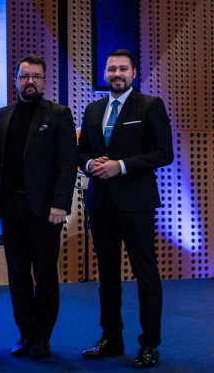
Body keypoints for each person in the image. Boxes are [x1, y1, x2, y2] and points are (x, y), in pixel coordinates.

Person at [78, 49, 173, 369]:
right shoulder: (92, 109)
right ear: (104, 74)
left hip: (136, 204)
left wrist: (121, 166)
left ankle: (149, 345)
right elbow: (81, 154)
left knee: (146, 275)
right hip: (101, 203)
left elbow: (163, 153)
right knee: (107, 276)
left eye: (122, 69)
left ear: (134, 73)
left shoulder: (150, 105)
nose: (116, 74)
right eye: (111, 69)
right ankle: (111, 338)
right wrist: (90, 163)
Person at [0, 54, 77, 359]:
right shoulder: (2, 115)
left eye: (36, 76)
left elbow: (68, 164)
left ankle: (43, 337)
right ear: (16, 79)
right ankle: (25, 333)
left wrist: (60, 205)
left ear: (44, 80)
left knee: (44, 274)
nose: (30, 81)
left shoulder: (58, 113)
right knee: (17, 275)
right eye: (24, 76)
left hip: (44, 210)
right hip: (9, 207)